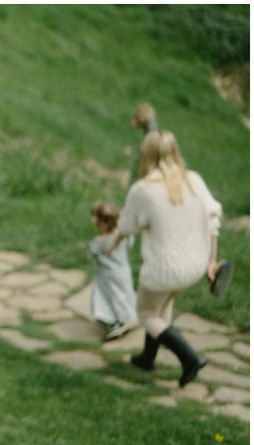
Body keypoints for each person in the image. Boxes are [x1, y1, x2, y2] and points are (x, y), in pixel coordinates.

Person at [111, 130, 223, 387]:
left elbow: (126, 225)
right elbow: (213, 220)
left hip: (163, 271)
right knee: (161, 308)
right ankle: (147, 359)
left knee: (147, 314)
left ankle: (190, 358)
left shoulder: (143, 189)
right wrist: (212, 261)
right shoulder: (193, 179)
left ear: (146, 155)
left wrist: (113, 243)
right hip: (195, 265)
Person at [88, 201, 139, 341]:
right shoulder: (124, 236)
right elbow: (130, 244)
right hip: (123, 271)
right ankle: (129, 316)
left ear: (102, 224)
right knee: (124, 294)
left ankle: (117, 321)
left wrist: (89, 246)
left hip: (108, 276)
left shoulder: (99, 241)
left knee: (111, 297)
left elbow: (93, 253)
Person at [128, 102, 158, 187]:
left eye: (136, 116)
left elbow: (148, 145)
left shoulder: (151, 130)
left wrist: (133, 149)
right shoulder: (148, 127)